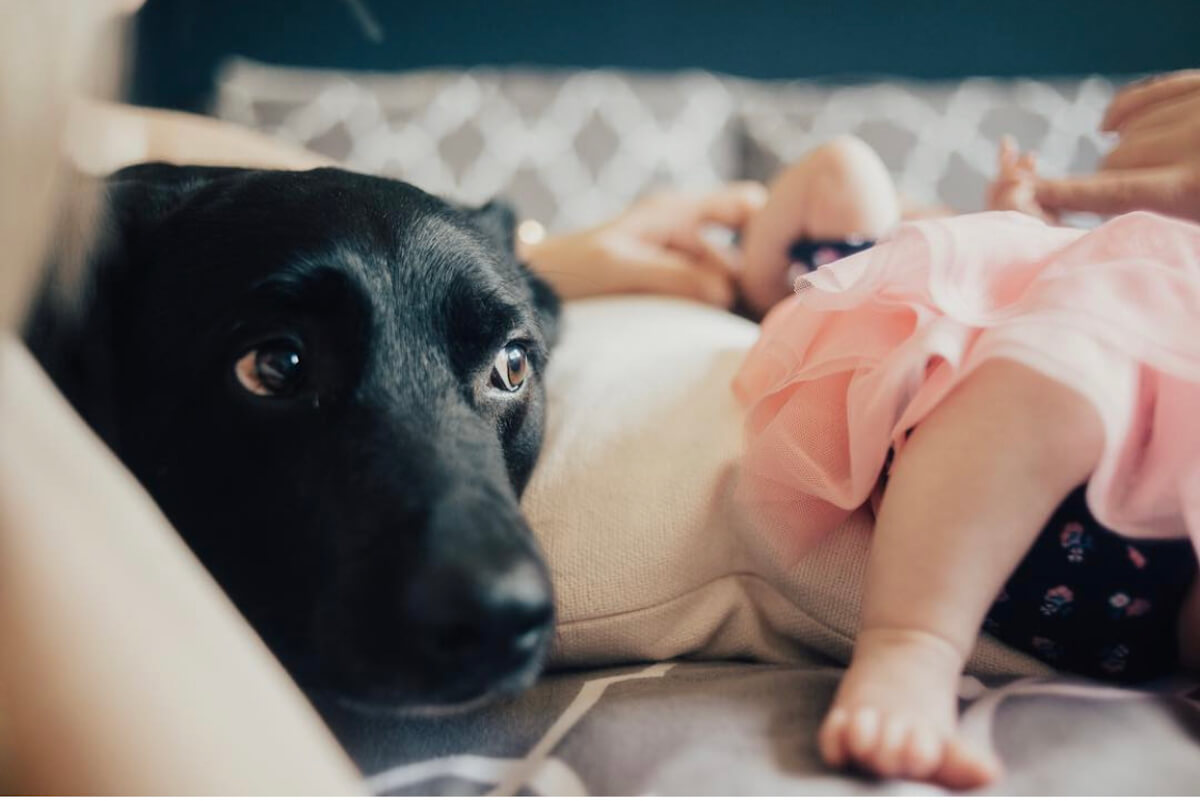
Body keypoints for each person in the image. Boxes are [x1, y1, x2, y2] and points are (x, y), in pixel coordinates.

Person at [731, 79, 1200, 788]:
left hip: (1151, 582)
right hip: (984, 414)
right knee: (844, 175)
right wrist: (1019, 222)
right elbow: (1044, 284)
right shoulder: (1100, 293)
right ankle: (910, 647)